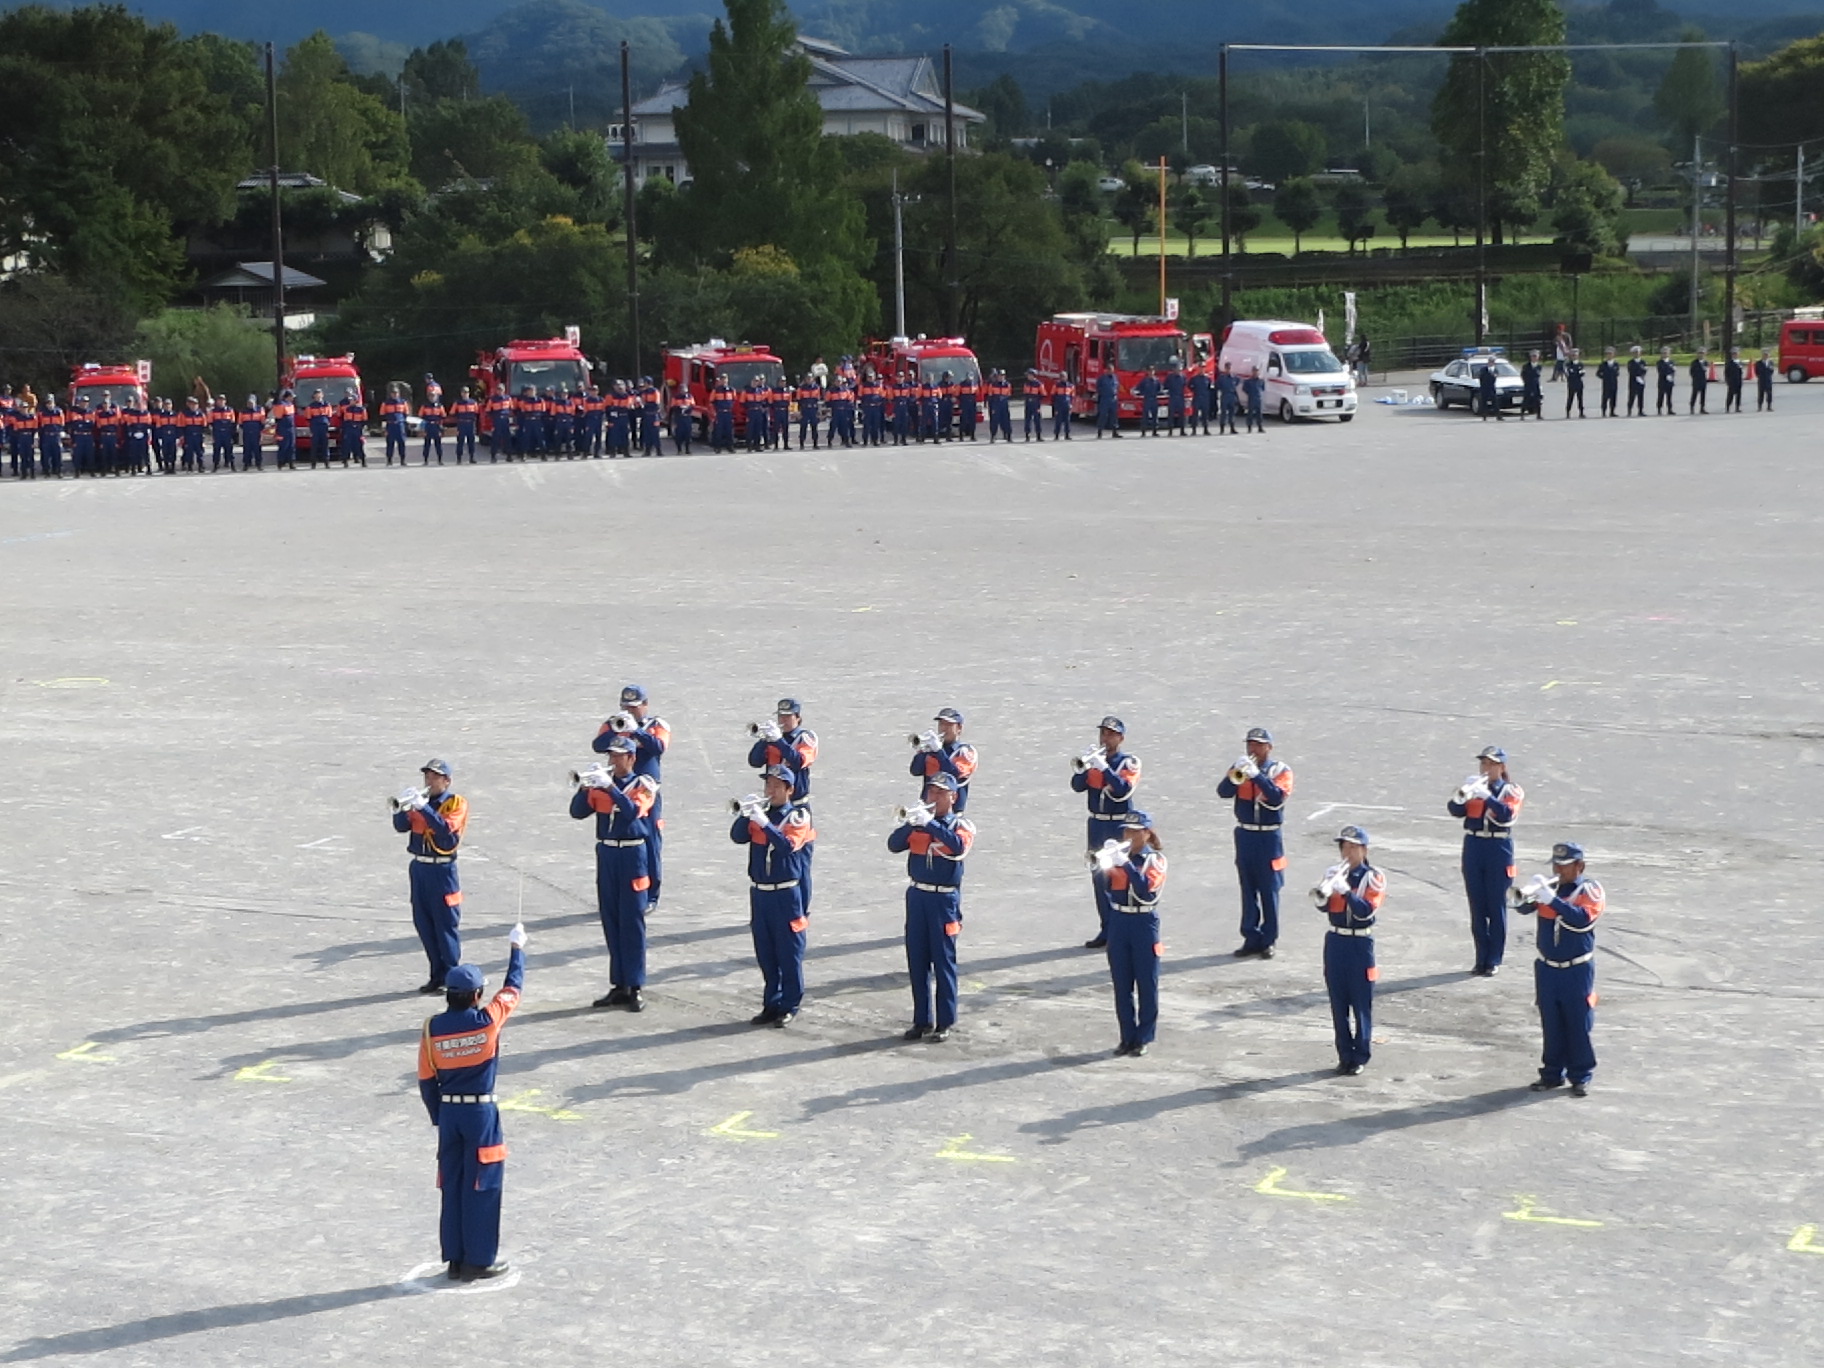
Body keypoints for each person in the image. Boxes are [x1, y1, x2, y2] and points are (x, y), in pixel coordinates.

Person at [416, 923, 526, 1283]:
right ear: (477, 995)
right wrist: (517, 949)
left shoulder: (433, 1028)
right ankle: (479, 1259)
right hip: (480, 1112)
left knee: (453, 1183)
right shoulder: (487, 1022)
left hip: (449, 1112)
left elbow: (426, 1078)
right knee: (483, 1184)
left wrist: (440, 1116)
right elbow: (512, 990)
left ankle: (455, 1258)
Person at [888, 772, 975, 1042]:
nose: (933, 798)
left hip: (944, 900)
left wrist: (932, 825)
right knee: (917, 960)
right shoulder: (919, 825)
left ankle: (945, 1022)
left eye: (940, 793)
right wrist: (912, 824)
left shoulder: (962, 825)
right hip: (917, 896)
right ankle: (921, 1020)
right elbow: (893, 845)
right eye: (930, 793)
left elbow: (958, 847)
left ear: (953, 796)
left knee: (943, 961)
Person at [571, 737, 656, 1011]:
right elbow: (577, 812)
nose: (614, 761)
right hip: (607, 852)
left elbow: (632, 811)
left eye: (619, 756)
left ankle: (635, 985)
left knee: (632, 920)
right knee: (611, 917)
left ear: (631, 758)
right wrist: (586, 788)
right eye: (612, 756)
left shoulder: (644, 785)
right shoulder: (601, 786)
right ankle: (618, 983)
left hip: (633, 854)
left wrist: (609, 788)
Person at [1517, 842, 1605, 1096]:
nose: (1559, 870)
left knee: (1578, 1022)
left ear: (1580, 866)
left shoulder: (1590, 890)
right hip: (1547, 968)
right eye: (1556, 865)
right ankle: (1552, 1073)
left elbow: (1582, 918)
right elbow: (1521, 907)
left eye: (1565, 866)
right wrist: (1532, 892)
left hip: (1576, 969)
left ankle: (1581, 1075)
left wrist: (1552, 900)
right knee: (1551, 1022)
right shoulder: (1550, 888)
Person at [731, 766, 815, 1026]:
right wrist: (748, 816)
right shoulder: (760, 815)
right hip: (761, 893)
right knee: (765, 952)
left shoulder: (797, 817)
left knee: (788, 952)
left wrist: (765, 823)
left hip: (786, 893)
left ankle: (789, 1004)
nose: (770, 791)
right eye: (768, 785)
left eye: (777, 786)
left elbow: (786, 846)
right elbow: (737, 836)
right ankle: (771, 1002)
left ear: (789, 790)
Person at [1311, 824, 1383, 1075]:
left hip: (1360, 943)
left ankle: (1360, 1055)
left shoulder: (1373, 877)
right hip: (1336, 941)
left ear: (1364, 850)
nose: (1348, 853)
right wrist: (1328, 885)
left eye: (1353, 847)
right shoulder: (1336, 874)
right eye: (1344, 847)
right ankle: (1344, 1055)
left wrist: (1346, 891)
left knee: (1361, 1002)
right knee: (1338, 1002)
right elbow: (1323, 906)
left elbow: (1366, 910)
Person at [392, 759, 469, 994]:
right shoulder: (419, 804)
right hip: (419, 868)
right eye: (427, 776)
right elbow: (401, 827)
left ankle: (453, 976)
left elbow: (445, 829)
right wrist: (402, 808)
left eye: (435, 777)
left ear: (447, 780)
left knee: (445, 925)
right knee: (424, 923)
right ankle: (436, 974)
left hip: (442, 870)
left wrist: (423, 808)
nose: (430, 780)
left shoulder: (456, 803)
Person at [1447, 746, 1524, 977]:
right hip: (1473, 845)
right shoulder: (1474, 787)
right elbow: (1455, 810)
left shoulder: (1512, 790)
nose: (1486, 768)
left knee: (1496, 904)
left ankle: (1494, 958)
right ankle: (1480, 958)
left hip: (1498, 847)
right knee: (1477, 905)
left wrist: (1487, 797)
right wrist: (1464, 793)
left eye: (1491, 764)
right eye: (1483, 764)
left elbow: (1506, 814)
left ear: (1501, 767)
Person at [1094, 811, 1166, 1057]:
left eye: (1135, 831)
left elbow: (1147, 891)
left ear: (1146, 833)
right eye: (1126, 831)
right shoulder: (1120, 858)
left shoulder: (1155, 860)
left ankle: (1143, 1037)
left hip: (1144, 921)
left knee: (1147, 982)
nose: (1129, 836)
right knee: (1121, 983)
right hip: (1120, 920)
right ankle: (1126, 1037)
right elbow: (1107, 889)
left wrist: (1125, 864)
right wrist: (1108, 865)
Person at [1218, 726, 1294, 959]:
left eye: (1259, 745)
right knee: (1248, 887)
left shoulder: (1281, 770)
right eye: (1250, 744)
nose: (1254, 749)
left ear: (1269, 748)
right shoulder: (1240, 766)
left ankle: (1268, 939)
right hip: (1245, 834)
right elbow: (1223, 791)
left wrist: (1258, 776)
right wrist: (1236, 773)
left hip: (1269, 836)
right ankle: (1250, 937)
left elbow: (1276, 796)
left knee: (1269, 889)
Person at [594, 684, 671, 905]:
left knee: (650, 839)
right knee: (620, 837)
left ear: (645, 705)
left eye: (634, 707)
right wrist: (618, 731)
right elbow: (598, 745)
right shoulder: (614, 722)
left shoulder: (657, 724)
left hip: (646, 790)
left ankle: (651, 894)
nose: (629, 711)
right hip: (619, 788)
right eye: (626, 706)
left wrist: (636, 731)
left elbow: (658, 747)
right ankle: (624, 892)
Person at [1069, 716, 1141, 950]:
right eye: (1103, 733)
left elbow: (1122, 791)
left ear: (1121, 738)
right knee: (1099, 877)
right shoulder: (1095, 761)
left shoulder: (1129, 763)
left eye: (1110, 734)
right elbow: (1077, 786)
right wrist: (1087, 766)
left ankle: (1121, 930)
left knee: (1118, 877)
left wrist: (1105, 769)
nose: (1105, 738)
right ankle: (1107, 928)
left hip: (1118, 824)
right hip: (1097, 823)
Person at [748, 697, 818, 911]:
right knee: (768, 851)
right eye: (781, 716)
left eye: (788, 717)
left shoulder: (806, 737)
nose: (784, 720)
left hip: (796, 805)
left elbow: (798, 761)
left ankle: (801, 908)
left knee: (799, 859)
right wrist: (764, 740)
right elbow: (754, 761)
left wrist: (779, 741)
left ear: (798, 718)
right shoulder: (772, 739)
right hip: (773, 804)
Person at [910, 707, 977, 811]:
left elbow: (954, 775)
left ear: (959, 728)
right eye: (941, 724)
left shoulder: (965, 751)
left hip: (952, 813)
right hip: (927, 810)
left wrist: (939, 751)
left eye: (949, 725)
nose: (944, 728)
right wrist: (922, 751)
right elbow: (915, 771)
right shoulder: (931, 750)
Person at [304, 389, 332, 468]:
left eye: (319, 394)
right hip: (315, 427)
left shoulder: (327, 404)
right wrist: (311, 430)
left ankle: (326, 462)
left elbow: (329, 417)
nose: (318, 396)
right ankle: (313, 463)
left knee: (325, 445)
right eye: (316, 395)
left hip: (324, 427)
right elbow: (308, 418)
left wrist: (328, 428)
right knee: (314, 446)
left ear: (322, 395)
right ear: (314, 396)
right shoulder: (310, 406)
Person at [209, 392, 237, 471]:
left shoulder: (230, 410)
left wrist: (233, 434)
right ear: (217, 401)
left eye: (222, 400)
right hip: (218, 433)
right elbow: (210, 422)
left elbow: (233, 422)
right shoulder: (213, 411)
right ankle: (215, 465)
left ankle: (232, 465)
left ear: (225, 401)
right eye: (219, 400)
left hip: (227, 433)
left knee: (229, 450)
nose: (221, 402)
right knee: (216, 450)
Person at [382, 386, 410, 465]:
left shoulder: (403, 402)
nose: (395, 395)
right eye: (393, 393)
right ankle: (389, 460)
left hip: (400, 425)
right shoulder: (386, 403)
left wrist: (402, 422)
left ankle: (402, 460)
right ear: (390, 394)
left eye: (396, 393)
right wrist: (384, 428)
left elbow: (406, 413)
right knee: (390, 443)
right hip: (390, 425)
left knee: (401, 443)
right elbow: (383, 415)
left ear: (399, 394)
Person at [452, 386, 479, 462]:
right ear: (461, 394)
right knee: (460, 441)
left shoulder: (473, 402)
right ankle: (459, 458)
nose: (465, 394)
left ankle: (472, 457)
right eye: (464, 392)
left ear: (469, 393)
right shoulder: (457, 403)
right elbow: (452, 413)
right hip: (462, 424)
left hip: (470, 424)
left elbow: (477, 413)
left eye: (466, 392)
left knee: (471, 441)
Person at [238, 394, 265, 471]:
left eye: (252, 403)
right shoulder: (243, 411)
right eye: (249, 403)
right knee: (247, 450)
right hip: (247, 433)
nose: (250, 404)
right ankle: (246, 464)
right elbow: (240, 423)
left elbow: (263, 422)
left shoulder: (260, 410)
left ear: (255, 402)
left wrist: (261, 432)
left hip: (257, 433)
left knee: (257, 450)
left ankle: (259, 464)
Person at [796, 373, 823, 449]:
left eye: (810, 378)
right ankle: (802, 444)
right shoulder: (801, 388)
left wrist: (819, 411)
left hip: (813, 409)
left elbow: (818, 400)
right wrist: (799, 411)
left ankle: (815, 443)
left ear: (813, 379)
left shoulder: (816, 387)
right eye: (807, 378)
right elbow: (798, 400)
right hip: (805, 409)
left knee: (814, 426)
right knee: (803, 427)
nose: (809, 380)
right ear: (805, 379)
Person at [710, 376, 736, 453]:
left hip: (728, 412)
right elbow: (711, 402)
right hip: (720, 413)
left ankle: (730, 447)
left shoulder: (731, 390)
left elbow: (734, 400)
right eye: (722, 380)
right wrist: (714, 413)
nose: (724, 381)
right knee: (719, 431)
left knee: (729, 430)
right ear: (720, 381)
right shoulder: (716, 390)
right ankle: (718, 447)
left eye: (725, 379)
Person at [985, 369, 1012, 443]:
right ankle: (993, 436)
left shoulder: (1007, 385)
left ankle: (1008, 435)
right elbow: (990, 396)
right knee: (994, 421)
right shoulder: (993, 385)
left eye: (1002, 376)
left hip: (1004, 405)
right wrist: (992, 407)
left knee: (1006, 421)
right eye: (1000, 376)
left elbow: (1008, 395)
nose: (1001, 377)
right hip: (996, 405)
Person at [1095, 368, 1121, 438]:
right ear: (1106, 370)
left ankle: (1115, 432)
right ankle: (1099, 432)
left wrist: (1115, 394)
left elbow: (1117, 386)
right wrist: (1103, 393)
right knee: (1103, 415)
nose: (1110, 371)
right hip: (1105, 399)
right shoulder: (1102, 378)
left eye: (1111, 370)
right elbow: (1098, 387)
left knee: (1114, 416)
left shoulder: (1115, 378)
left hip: (1113, 399)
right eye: (1109, 370)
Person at [1022, 369, 1046, 442]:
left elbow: (1043, 394)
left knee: (1037, 420)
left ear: (1033, 375)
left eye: (1029, 375)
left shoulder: (1039, 384)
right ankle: (1027, 435)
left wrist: (1036, 400)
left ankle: (1038, 435)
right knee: (1027, 420)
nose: (1028, 377)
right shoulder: (1026, 384)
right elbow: (1025, 393)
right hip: (1028, 403)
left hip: (1036, 404)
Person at [1519, 350, 1544, 420]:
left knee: (1538, 400)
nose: (1534, 358)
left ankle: (1538, 415)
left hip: (1536, 385)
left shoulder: (1539, 366)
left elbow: (1538, 376)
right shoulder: (1526, 366)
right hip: (1528, 385)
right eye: (1533, 356)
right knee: (1526, 400)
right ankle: (1522, 414)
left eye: (1536, 356)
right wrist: (1527, 383)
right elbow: (1523, 375)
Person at [1478, 357, 1504, 421]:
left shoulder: (1495, 370)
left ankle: (1498, 416)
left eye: (1493, 362)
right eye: (1490, 361)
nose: (1491, 363)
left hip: (1492, 388)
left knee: (1495, 402)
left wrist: (1493, 375)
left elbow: (1495, 377)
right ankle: (1484, 416)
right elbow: (1481, 377)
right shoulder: (1483, 369)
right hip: (1484, 388)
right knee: (1484, 402)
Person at [1597, 346, 1620, 417]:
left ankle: (1612, 411)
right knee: (1605, 398)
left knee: (1613, 398)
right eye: (1608, 354)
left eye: (1611, 353)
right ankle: (1604, 411)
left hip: (1614, 383)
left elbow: (1617, 373)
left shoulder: (1616, 364)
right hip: (1606, 384)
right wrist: (1603, 377)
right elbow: (1598, 373)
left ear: (1613, 355)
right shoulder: (1603, 364)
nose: (1609, 355)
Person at [1137, 367, 1161, 436]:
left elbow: (1159, 389)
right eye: (1150, 371)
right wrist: (1143, 393)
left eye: (1152, 371)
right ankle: (1143, 431)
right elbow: (1139, 388)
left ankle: (1155, 431)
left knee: (1155, 416)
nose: (1151, 372)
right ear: (1147, 372)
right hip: (1147, 399)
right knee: (1145, 416)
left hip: (1154, 399)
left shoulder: (1156, 380)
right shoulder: (1144, 381)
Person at [1217, 363, 1239, 435]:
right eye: (1227, 368)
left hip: (1232, 396)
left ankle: (1232, 428)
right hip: (1225, 396)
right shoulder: (1222, 378)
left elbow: (1236, 383)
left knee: (1232, 413)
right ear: (1225, 368)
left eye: (1229, 368)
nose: (1228, 369)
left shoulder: (1234, 377)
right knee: (1223, 413)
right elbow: (1218, 386)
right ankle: (1222, 429)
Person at [1242, 365, 1266, 432]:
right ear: (1252, 372)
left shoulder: (1261, 380)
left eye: (1257, 371)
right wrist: (1250, 393)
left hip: (1258, 399)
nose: (1255, 372)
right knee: (1250, 413)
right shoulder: (1248, 381)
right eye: (1254, 371)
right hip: (1251, 399)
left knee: (1259, 414)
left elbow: (1262, 388)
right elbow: (1244, 389)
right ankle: (1249, 427)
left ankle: (1260, 427)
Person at [1563, 347, 1586, 418]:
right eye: (1573, 355)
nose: (1574, 356)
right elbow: (1568, 374)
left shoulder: (1581, 364)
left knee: (1580, 398)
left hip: (1579, 383)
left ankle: (1581, 412)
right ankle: (1568, 411)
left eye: (1576, 355)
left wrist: (1575, 372)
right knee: (1570, 398)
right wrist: (1576, 373)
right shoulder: (1568, 364)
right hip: (1571, 384)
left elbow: (1582, 373)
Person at [1050, 372, 1074, 440]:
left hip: (1067, 405)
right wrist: (1055, 406)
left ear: (1066, 377)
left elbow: (1072, 396)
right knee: (1058, 421)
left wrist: (1071, 404)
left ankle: (1067, 435)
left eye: (1064, 376)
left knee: (1067, 421)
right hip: (1059, 406)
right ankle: (1056, 435)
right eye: (1062, 377)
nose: (1063, 378)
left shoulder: (1070, 386)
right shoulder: (1056, 385)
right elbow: (1053, 396)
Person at [1626, 345, 1648, 417]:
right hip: (1633, 381)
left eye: (1638, 352)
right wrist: (1637, 375)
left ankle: (1640, 410)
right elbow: (1631, 371)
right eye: (1635, 352)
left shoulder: (1643, 362)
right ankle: (1629, 410)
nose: (1637, 354)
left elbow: (1644, 370)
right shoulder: (1630, 362)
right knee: (1631, 397)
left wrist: (1641, 376)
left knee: (1640, 397)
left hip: (1641, 381)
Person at [1190, 364, 1213, 435]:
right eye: (1200, 368)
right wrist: (1195, 391)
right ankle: (1194, 430)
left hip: (1205, 399)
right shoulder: (1194, 379)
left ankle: (1206, 429)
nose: (1202, 370)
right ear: (1198, 369)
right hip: (1197, 398)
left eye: (1203, 368)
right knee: (1195, 415)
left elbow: (1210, 387)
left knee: (1205, 415)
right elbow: (1190, 386)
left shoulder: (1208, 379)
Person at [1656, 347, 1677, 415]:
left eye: (1666, 353)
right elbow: (1660, 370)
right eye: (1664, 353)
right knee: (1661, 396)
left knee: (1669, 396)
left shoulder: (1672, 362)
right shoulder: (1659, 362)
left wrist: (1671, 376)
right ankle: (1659, 409)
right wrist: (1666, 375)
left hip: (1669, 381)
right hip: (1662, 381)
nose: (1665, 354)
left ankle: (1669, 409)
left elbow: (1673, 370)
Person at [1723, 348, 1744, 413]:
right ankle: (1728, 407)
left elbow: (1741, 372)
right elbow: (1726, 372)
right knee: (1730, 395)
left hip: (1739, 381)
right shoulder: (1729, 363)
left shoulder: (1740, 362)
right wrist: (1727, 380)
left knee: (1738, 395)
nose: (1735, 355)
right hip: (1731, 381)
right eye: (1733, 354)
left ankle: (1737, 407)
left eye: (1736, 354)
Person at [1688, 350, 1709, 415]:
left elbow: (1707, 371)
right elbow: (1691, 372)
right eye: (1700, 353)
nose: (1701, 355)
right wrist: (1695, 378)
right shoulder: (1694, 363)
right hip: (1696, 381)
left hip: (1703, 380)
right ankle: (1692, 407)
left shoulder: (1705, 362)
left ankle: (1702, 408)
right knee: (1694, 394)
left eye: (1702, 353)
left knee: (1703, 395)